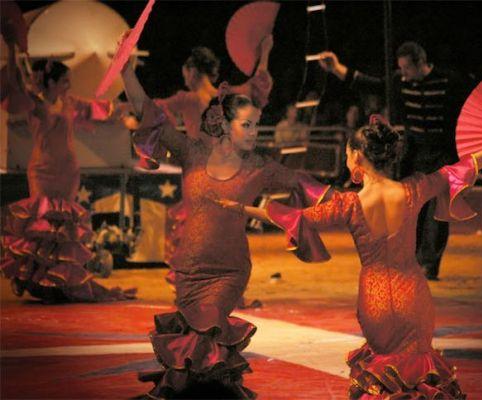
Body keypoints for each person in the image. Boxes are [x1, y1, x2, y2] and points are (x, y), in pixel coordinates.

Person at [217, 117, 482, 399]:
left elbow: (296, 217)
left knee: (384, 379)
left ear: (358, 156)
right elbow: (464, 167)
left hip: (376, 298)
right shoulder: (413, 190)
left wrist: (240, 208)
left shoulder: (350, 204)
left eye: (348, 152)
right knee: (420, 373)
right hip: (413, 294)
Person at [121, 47, 331, 399]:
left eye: (256, 125)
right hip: (189, 269)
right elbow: (150, 114)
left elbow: (302, 183)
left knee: (207, 329)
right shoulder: (191, 153)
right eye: (247, 125)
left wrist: (364, 195)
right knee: (195, 344)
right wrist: (127, 74)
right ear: (223, 125)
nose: (254, 132)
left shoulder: (258, 167)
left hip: (230, 270)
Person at [319, 42, 470, 280]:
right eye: (401, 68)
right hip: (416, 154)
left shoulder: (449, 82)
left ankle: (428, 265)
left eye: (408, 68)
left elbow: (469, 108)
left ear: (421, 63)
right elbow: (371, 84)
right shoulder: (400, 82)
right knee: (412, 209)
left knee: (437, 213)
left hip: (443, 154)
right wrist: (337, 68)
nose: (404, 74)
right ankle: (409, 259)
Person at [0, 40, 136, 303]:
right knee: (43, 224)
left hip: (67, 172)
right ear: (49, 82)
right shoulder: (33, 102)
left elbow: (100, 109)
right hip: (42, 171)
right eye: (64, 81)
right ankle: (41, 283)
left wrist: (125, 114)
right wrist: (13, 50)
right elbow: (14, 83)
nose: (68, 86)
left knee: (63, 228)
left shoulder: (70, 102)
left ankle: (60, 284)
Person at [155, 39, 274, 289]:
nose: (184, 77)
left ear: (193, 71)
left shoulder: (187, 99)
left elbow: (151, 108)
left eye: (185, 72)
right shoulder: (227, 95)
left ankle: (198, 288)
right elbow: (257, 84)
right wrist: (264, 53)